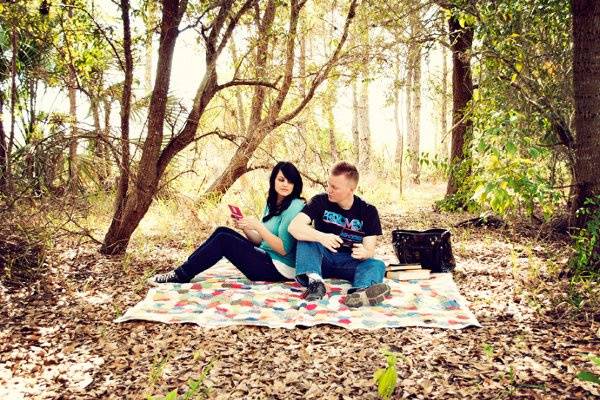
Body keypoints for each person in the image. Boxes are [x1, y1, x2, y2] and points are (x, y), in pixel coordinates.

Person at [149, 161, 305, 285]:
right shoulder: (272, 202)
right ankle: (185, 268)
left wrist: (258, 226)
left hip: (279, 268)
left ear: (295, 184)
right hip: (265, 256)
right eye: (281, 179)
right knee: (222, 231)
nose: (285, 184)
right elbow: (261, 242)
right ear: (273, 180)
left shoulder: (295, 206)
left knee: (224, 241)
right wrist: (246, 228)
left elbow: (284, 249)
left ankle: (181, 274)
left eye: (290, 181)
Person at [288, 161, 389, 308]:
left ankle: (360, 293)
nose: (329, 189)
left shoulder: (368, 211)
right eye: (328, 184)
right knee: (305, 238)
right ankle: (316, 284)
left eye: (335, 187)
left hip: (349, 262)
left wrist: (364, 252)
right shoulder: (319, 201)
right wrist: (321, 237)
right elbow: (294, 227)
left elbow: (370, 250)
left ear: (351, 189)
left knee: (377, 264)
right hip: (322, 259)